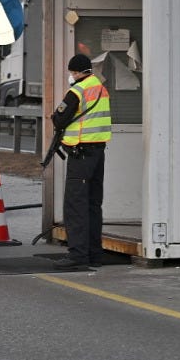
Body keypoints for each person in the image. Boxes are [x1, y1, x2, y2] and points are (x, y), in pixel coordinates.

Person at [50, 54, 112, 270]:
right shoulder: (101, 88)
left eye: (71, 72)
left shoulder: (77, 91)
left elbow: (59, 118)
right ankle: (95, 254)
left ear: (76, 72)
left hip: (81, 153)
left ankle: (77, 255)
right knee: (93, 205)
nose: (70, 76)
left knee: (75, 205)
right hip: (98, 153)